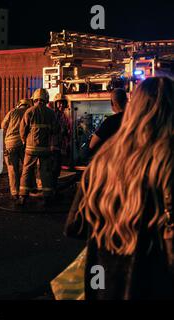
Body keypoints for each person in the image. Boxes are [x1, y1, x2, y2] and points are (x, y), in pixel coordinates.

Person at [65, 77, 174, 299]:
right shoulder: (167, 160)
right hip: (155, 285)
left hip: (104, 283)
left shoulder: (103, 161)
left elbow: (75, 226)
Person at [19, 88, 59, 206]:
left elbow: (22, 130)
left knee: (27, 170)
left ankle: (23, 196)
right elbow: (56, 129)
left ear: (35, 99)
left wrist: (24, 140)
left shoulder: (29, 111)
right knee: (45, 171)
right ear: (46, 99)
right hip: (45, 149)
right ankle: (47, 196)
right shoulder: (51, 113)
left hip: (30, 149)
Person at [1, 98, 32, 201]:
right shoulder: (29, 112)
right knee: (26, 168)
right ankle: (25, 190)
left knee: (12, 169)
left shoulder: (12, 111)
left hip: (10, 145)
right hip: (23, 144)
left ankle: (15, 192)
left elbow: (3, 125)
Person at [89, 88, 128, 154]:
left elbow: (92, 144)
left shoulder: (109, 122)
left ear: (113, 103)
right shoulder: (134, 119)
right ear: (126, 101)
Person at [51, 93, 71, 191]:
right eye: (59, 103)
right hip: (52, 147)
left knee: (57, 169)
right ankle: (51, 190)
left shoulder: (63, 116)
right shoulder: (53, 115)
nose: (61, 105)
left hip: (58, 147)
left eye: (63, 103)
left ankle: (53, 188)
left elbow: (65, 130)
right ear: (55, 104)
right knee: (54, 169)